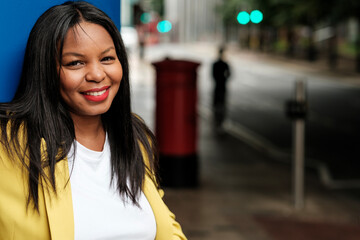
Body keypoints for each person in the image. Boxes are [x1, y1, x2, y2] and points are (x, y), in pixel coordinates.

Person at [0, 1, 186, 240]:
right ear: (45, 69)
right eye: (75, 63)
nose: (98, 74)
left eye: (107, 58)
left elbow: (168, 231)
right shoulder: (9, 143)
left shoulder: (134, 136)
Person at [211, 46, 231, 128]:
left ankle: (216, 118)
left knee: (216, 102)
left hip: (217, 85)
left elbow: (212, 75)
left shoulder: (215, 63)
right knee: (222, 102)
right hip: (222, 85)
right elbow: (229, 74)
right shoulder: (225, 64)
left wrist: (217, 79)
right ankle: (221, 119)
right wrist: (224, 79)